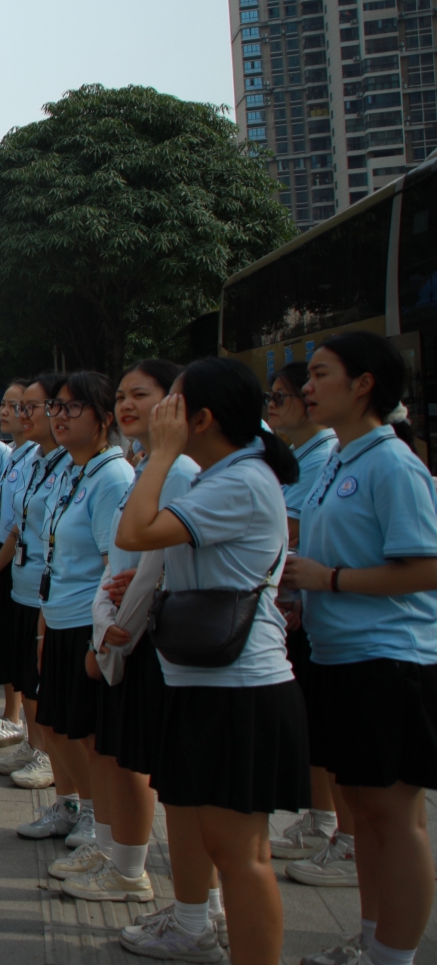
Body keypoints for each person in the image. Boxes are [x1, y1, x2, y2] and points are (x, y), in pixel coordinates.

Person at [114, 357, 306, 965]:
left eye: (170, 402)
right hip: (203, 678)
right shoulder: (223, 475)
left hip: (239, 686)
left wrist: (162, 454)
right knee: (200, 826)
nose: (158, 412)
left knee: (241, 854)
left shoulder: (238, 481)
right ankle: (194, 928)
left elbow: (134, 529)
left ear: (201, 418)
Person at [285, 331, 437, 965]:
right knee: (362, 814)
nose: (307, 389)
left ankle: (396, 955)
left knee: (392, 817)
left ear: (364, 383)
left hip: (389, 659)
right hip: (337, 653)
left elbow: (425, 567)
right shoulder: (341, 459)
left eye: (319, 376)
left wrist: (330, 580)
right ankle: (373, 941)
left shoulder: (392, 463)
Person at [65, 361, 195, 910]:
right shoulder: (144, 464)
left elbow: (157, 562)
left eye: (142, 395)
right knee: (116, 753)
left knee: (135, 762)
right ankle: (117, 855)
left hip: (142, 634)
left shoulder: (178, 470)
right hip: (120, 626)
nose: (127, 405)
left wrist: (114, 630)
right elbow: (128, 563)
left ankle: (132, 870)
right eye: (121, 394)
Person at [27, 373, 134, 855]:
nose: (59, 417)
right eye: (58, 407)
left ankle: (96, 820)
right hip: (59, 614)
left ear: (104, 419)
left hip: (87, 622)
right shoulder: (75, 469)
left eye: (73, 409)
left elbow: (118, 566)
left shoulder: (113, 477)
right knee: (52, 723)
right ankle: (72, 805)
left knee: (86, 734)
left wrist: (100, 639)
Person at [261, 360, 348, 872]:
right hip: (315, 618)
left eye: (281, 397)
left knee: (343, 747)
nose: (274, 408)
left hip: (359, 635)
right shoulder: (316, 457)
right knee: (320, 731)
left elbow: (290, 532)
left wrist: (322, 581)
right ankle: (324, 822)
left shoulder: (329, 456)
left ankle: (339, 832)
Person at [0, 374, 72, 794]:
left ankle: (50, 759)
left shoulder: (69, 465)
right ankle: (34, 744)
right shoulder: (36, 461)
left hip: (51, 593)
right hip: (24, 584)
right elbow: (18, 526)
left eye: (30, 407)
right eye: (17, 407)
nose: (21, 415)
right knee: (26, 676)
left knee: (43, 685)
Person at [0, 379, 35, 747]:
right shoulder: (13, 453)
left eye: (19, 406)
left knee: (28, 662)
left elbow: (22, 523)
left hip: (25, 564)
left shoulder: (34, 457)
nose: (8, 411)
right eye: (7, 404)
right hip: (7, 557)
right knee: (14, 654)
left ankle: (22, 727)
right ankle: (18, 724)